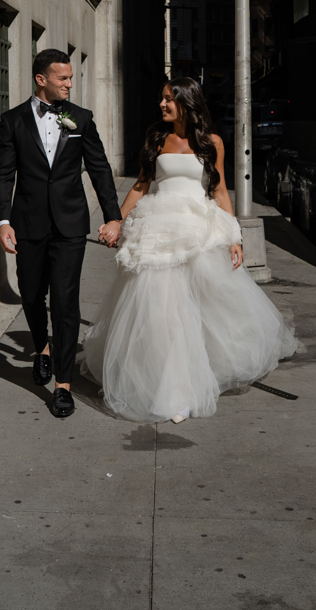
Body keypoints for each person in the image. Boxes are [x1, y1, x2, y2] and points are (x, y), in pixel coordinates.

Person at [82, 77, 297, 423]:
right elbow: (140, 186)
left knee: (197, 314)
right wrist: (116, 221)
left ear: (187, 102)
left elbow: (221, 191)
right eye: (161, 99)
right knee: (162, 316)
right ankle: (173, 390)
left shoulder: (211, 142)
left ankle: (188, 384)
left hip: (198, 232)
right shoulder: (156, 138)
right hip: (158, 232)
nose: (162, 105)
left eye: (169, 99)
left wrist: (234, 236)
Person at [0, 48, 122, 418]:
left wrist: (113, 216)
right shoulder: (12, 121)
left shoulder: (80, 118)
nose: (69, 83)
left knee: (66, 303)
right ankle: (42, 348)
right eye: (62, 78)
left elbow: (99, 168)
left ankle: (62, 384)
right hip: (28, 223)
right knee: (32, 295)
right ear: (41, 79)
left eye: (70, 77)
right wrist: (4, 222)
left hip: (70, 226)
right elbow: (3, 174)